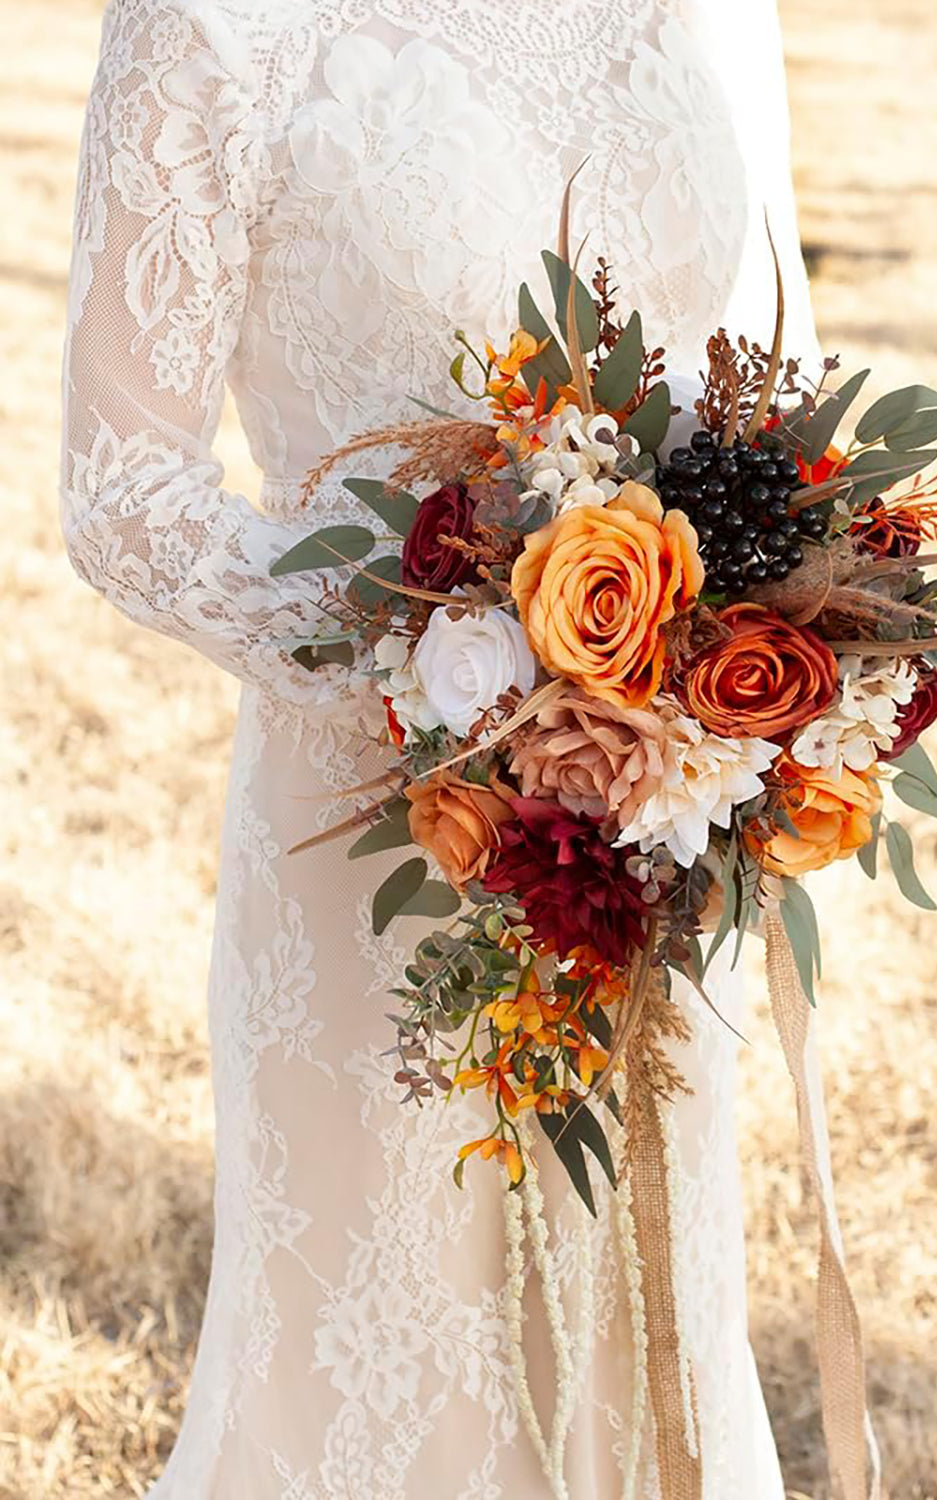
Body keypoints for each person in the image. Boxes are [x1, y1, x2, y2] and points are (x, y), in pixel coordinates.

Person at [59, 2, 820, 1494]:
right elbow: (120, 492)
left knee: (642, 1317)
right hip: (383, 829)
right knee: (390, 1347)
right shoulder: (214, 26)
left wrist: (750, 642)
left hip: (659, 807)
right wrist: (456, 657)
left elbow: (749, 370)